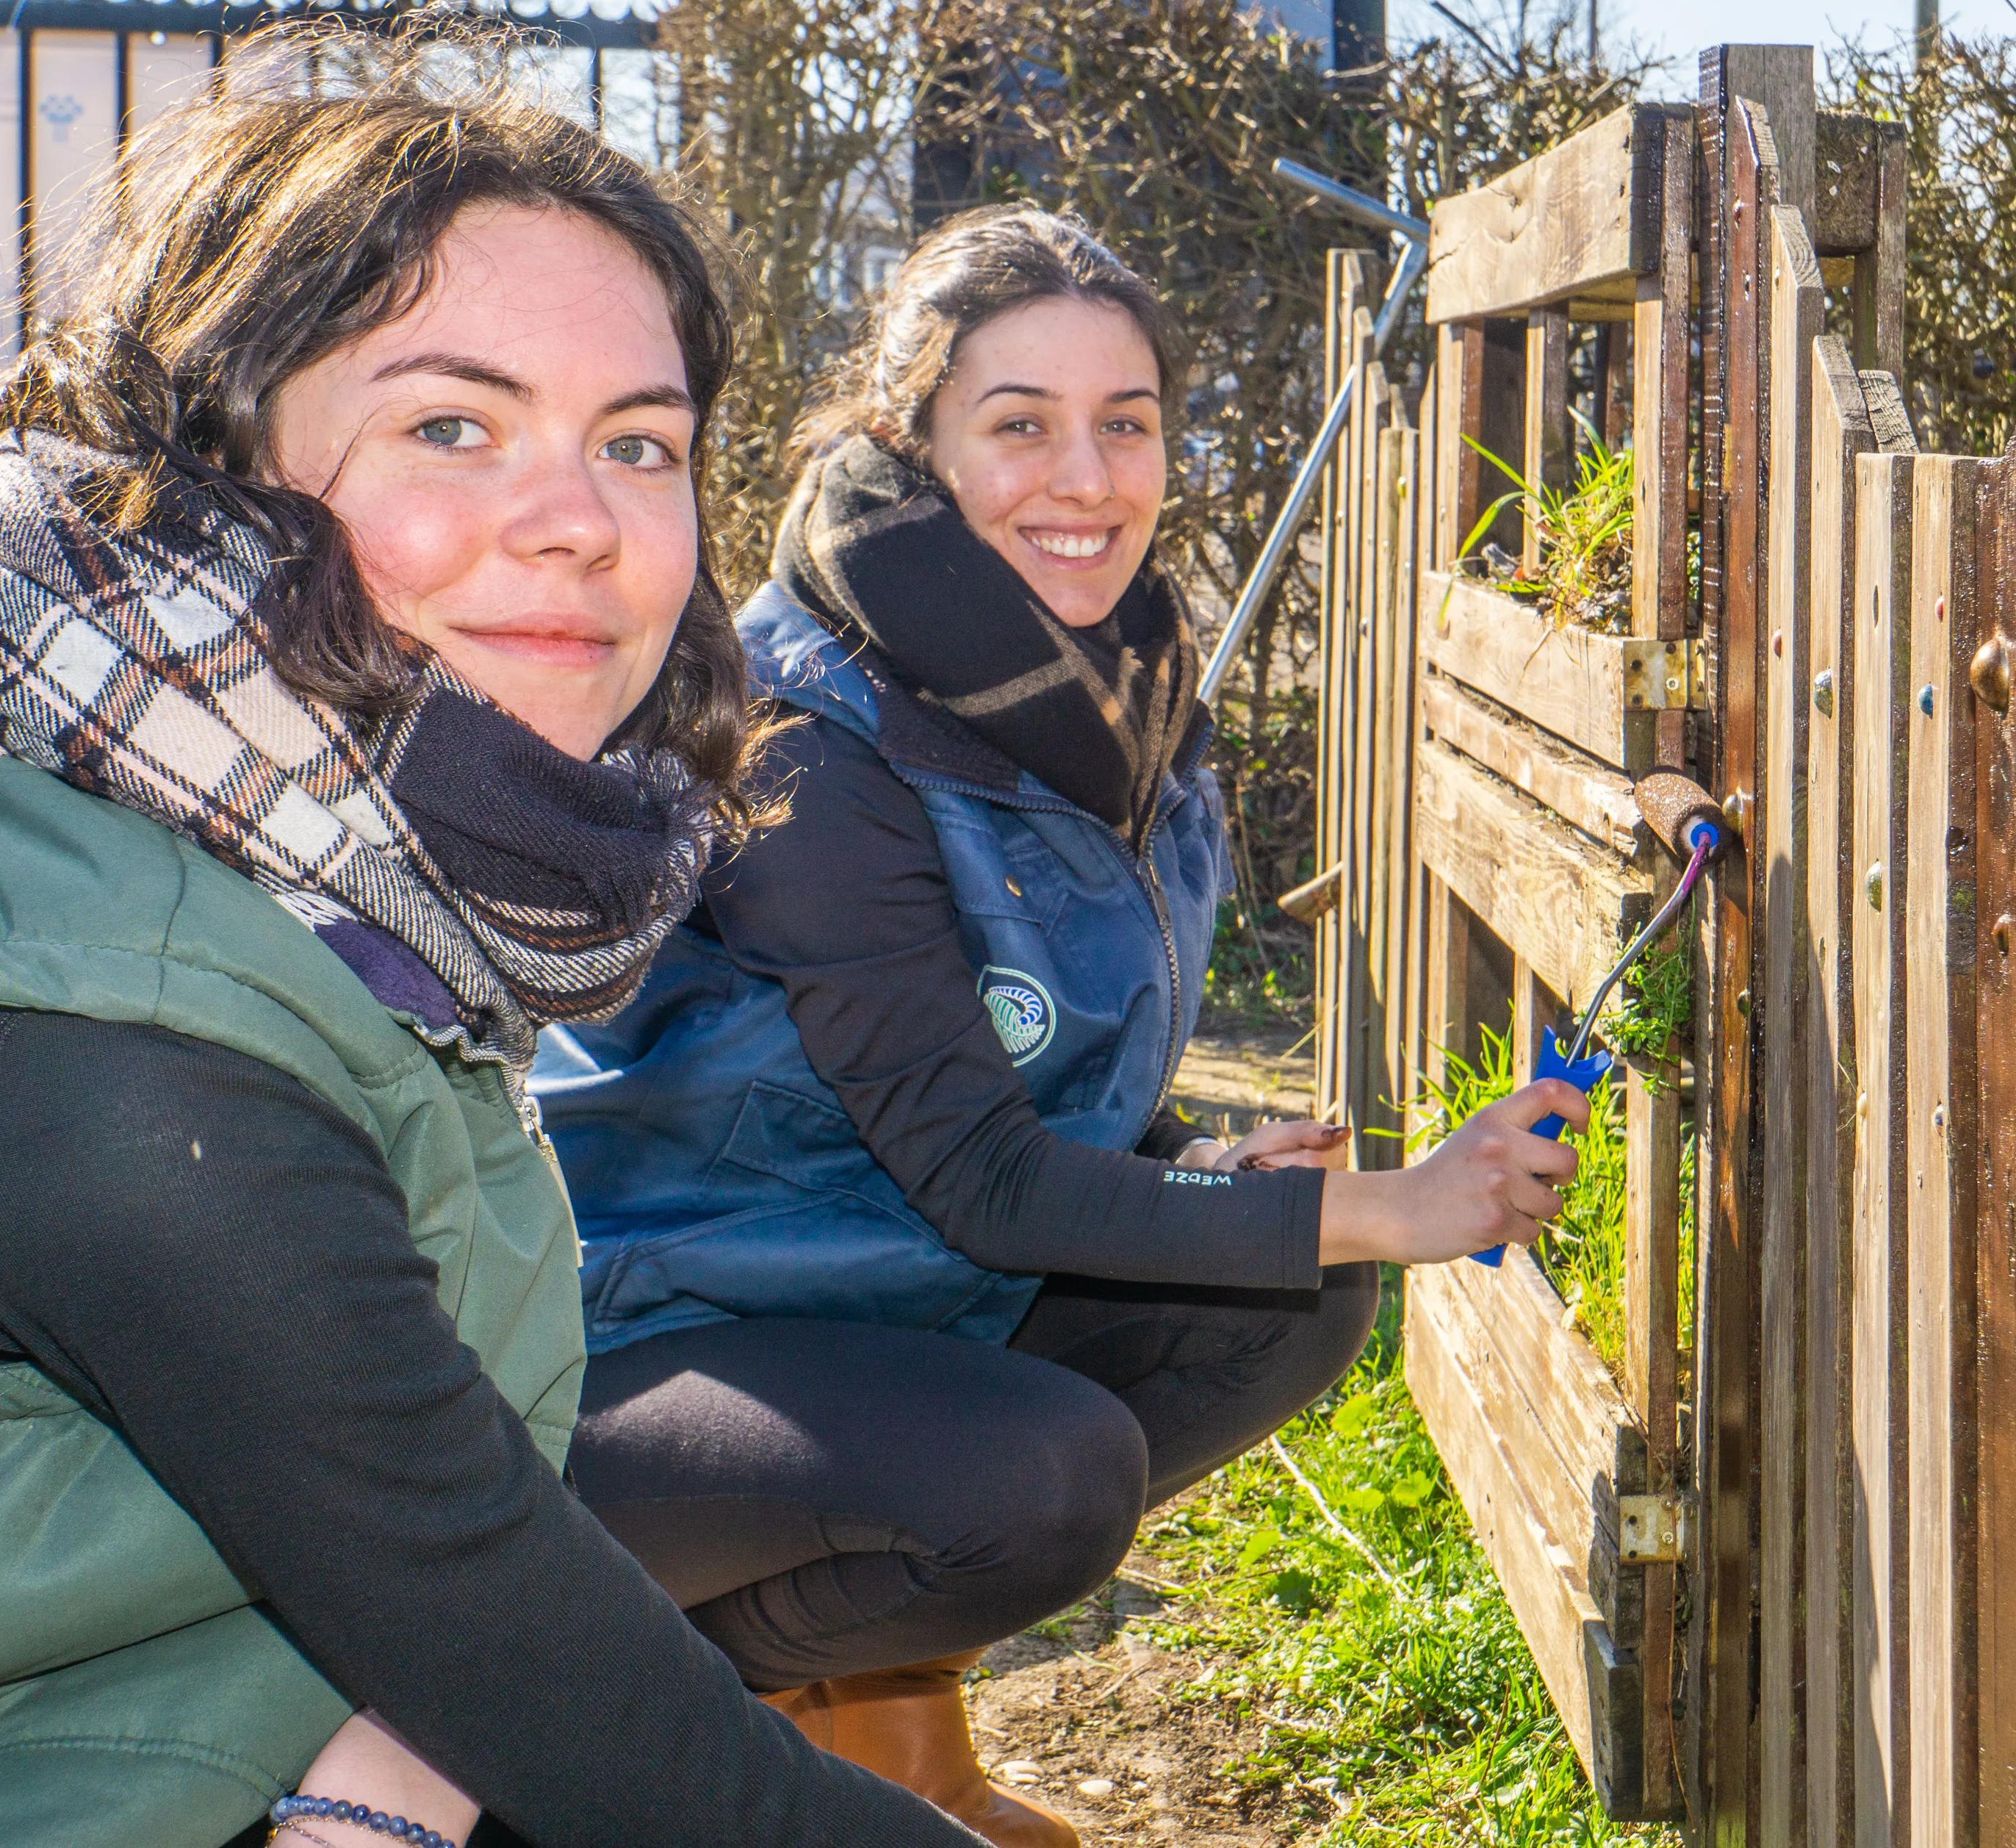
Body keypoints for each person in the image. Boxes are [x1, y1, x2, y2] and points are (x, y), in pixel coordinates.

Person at [0, 23, 989, 1848]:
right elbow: (611, 1723)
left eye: (642, 444)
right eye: (450, 424)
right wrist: (436, 1734)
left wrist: (404, 1742)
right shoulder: (81, 1046)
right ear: (208, 455)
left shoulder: (216, 812)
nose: (581, 525)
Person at [532, 206, 1591, 1848]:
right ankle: (635, 1714)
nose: (1084, 481)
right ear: (909, 443)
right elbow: (979, 1173)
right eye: (1017, 425)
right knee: (1039, 1480)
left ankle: (892, 1736)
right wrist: (1389, 1198)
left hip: (866, 1289)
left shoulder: (1120, 689)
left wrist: (1198, 1165)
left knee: (1291, 1299)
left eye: (1126, 423)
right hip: (642, 1336)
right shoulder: (810, 734)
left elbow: (1024, 1060)